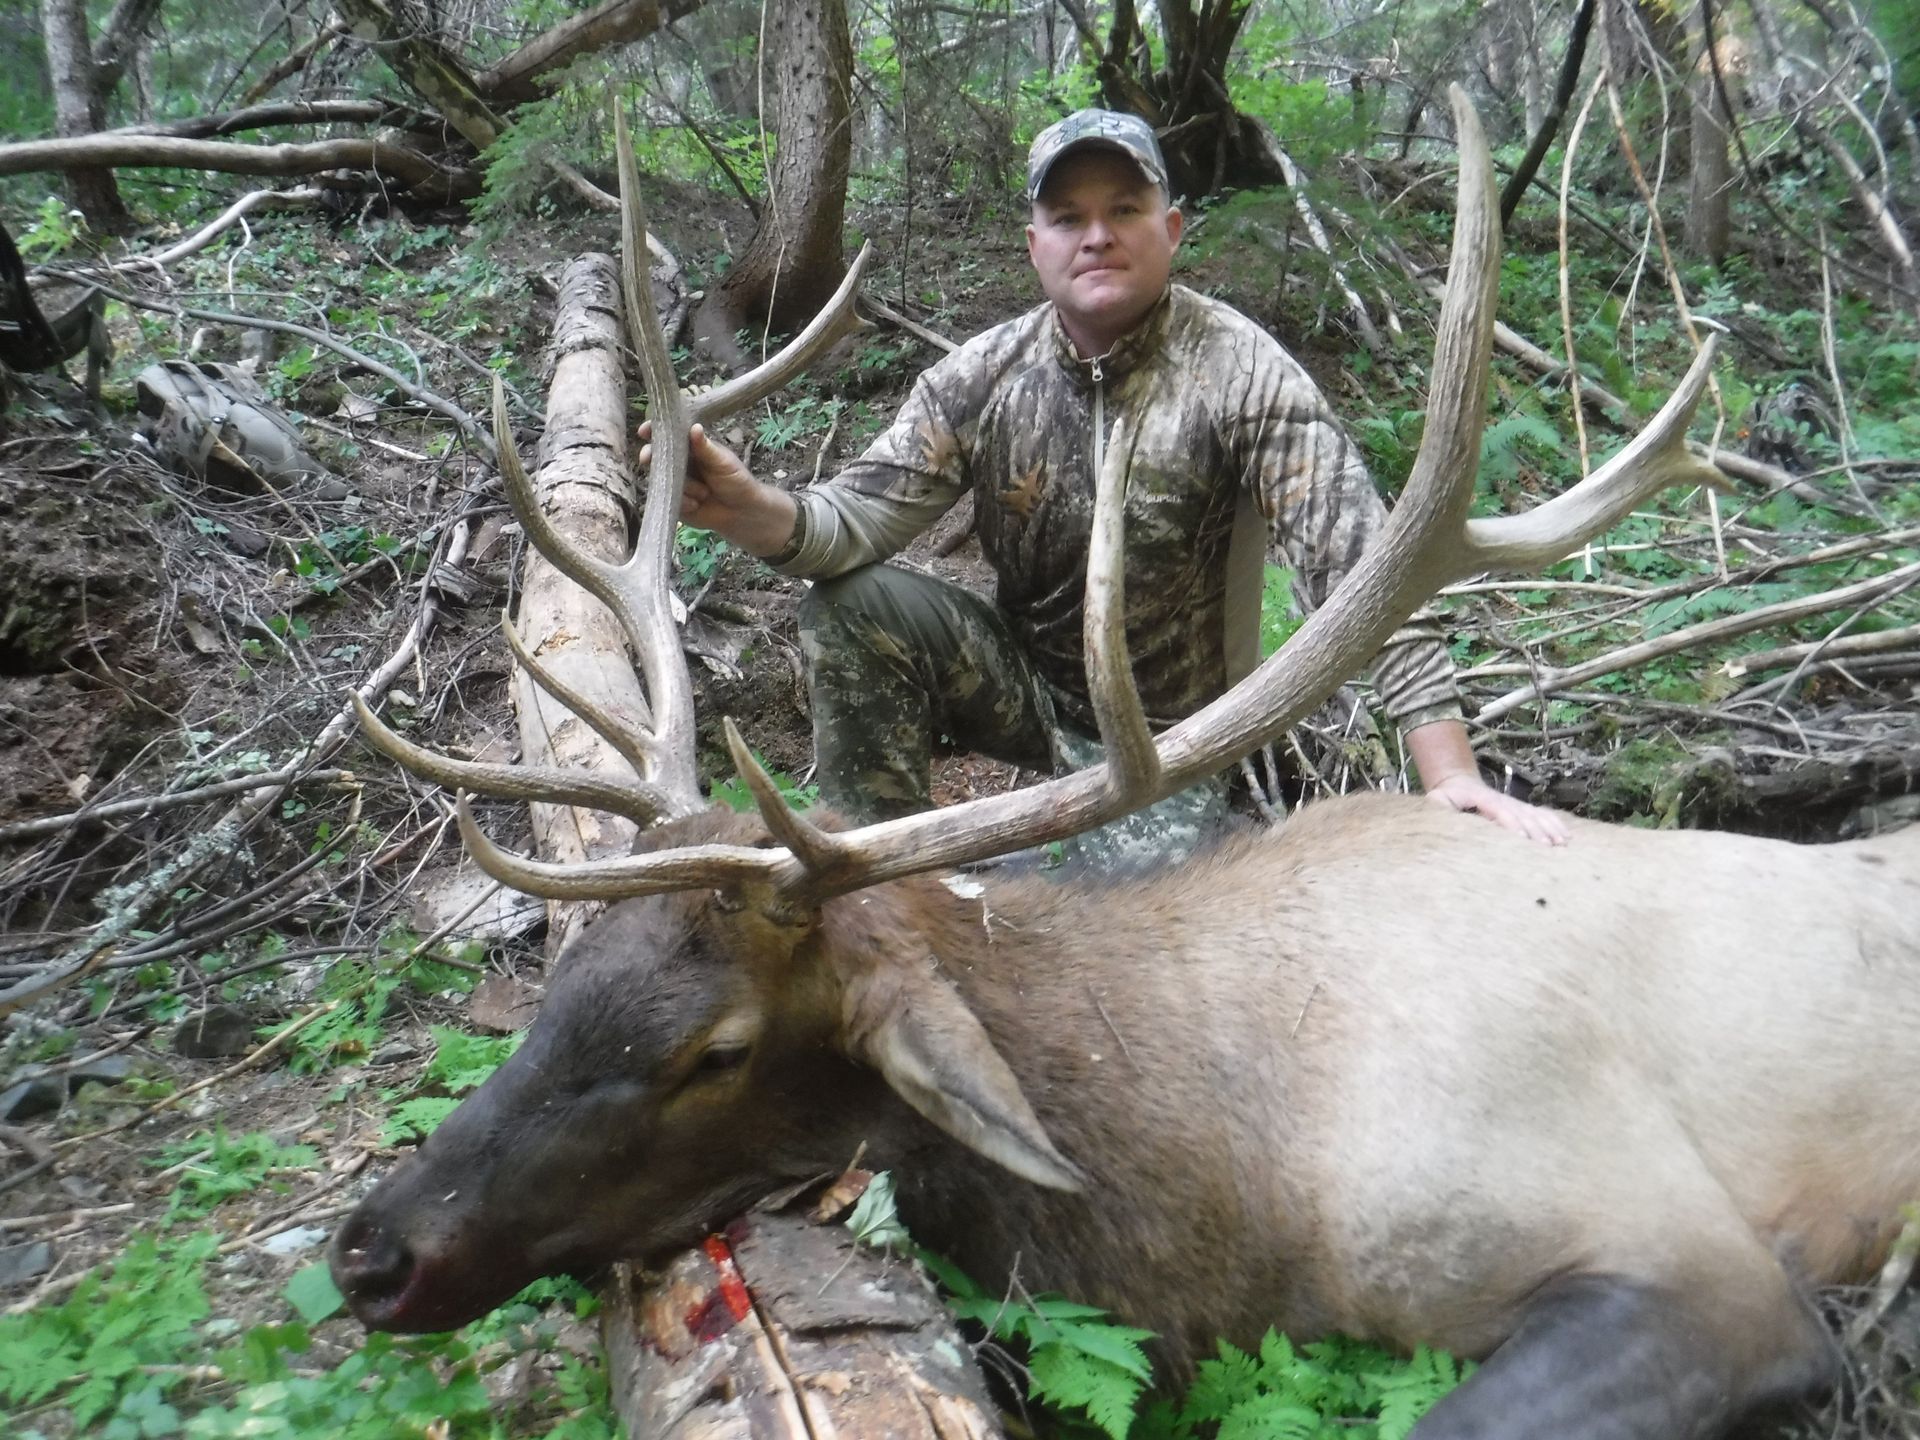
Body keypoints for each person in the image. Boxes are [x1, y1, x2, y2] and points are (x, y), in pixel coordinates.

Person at [642, 109, 1570, 857]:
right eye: (1069, 217)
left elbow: (1367, 571)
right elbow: (847, 525)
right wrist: (744, 508)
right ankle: (875, 879)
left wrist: (1449, 773)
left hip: (1178, 744)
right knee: (850, 606)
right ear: (1035, 244)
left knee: (1106, 942)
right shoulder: (984, 374)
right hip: (1031, 696)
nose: (1097, 236)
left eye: (1124, 210)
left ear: (1169, 230)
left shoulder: (1242, 372)